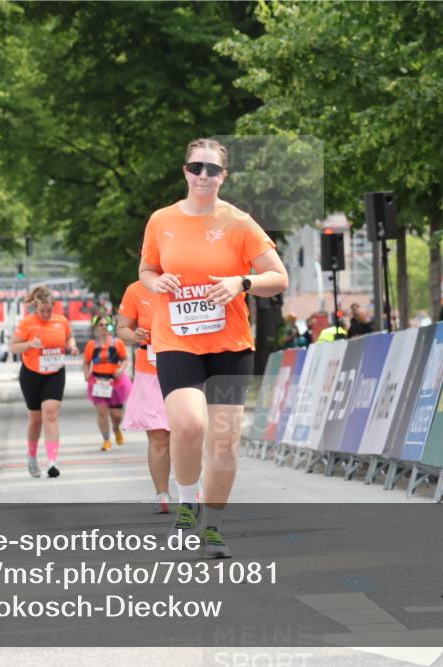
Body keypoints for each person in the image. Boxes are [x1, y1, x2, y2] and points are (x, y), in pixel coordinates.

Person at [139, 137, 288, 558]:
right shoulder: (161, 220)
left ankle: (214, 526)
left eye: (212, 169)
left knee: (223, 441)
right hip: (176, 340)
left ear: (225, 176)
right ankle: (187, 509)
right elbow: (148, 269)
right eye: (195, 167)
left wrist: (240, 282)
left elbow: (278, 278)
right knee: (188, 426)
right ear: (185, 170)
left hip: (228, 345)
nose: (203, 175)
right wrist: (156, 282)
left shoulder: (239, 223)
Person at [9, 286, 78, 478]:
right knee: (35, 418)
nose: (46, 314)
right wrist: (29, 344)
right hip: (32, 373)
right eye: (42, 311)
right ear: (35, 308)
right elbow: (13, 347)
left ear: (53, 307)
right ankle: (31, 456)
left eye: (49, 310)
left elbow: (69, 338)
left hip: (55, 371)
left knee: (51, 413)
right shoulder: (27, 323)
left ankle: (52, 462)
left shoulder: (61, 322)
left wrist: (71, 346)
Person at [117, 279, 172, 512]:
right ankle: (162, 495)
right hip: (150, 370)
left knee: (188, 434)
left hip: (189, 368)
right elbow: (122, 329)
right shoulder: (135, 290)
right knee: (158, 437)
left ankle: (194, 492)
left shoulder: (188, 281)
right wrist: (134, 334)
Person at [83, 314, 132, 451]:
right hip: (98, 382)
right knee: (101, 412)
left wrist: (121, 370)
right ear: (96, 328)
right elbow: (86, 362)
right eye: (101, 325)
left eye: (107, 325)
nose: (104, 327)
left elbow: (125, 359)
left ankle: (116, 428)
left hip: (115, 382)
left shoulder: (117, 343)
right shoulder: (91, 345)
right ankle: (106, 440)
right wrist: (86, 374)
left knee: (117, 415)